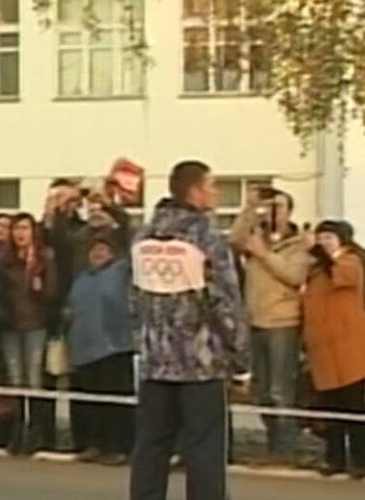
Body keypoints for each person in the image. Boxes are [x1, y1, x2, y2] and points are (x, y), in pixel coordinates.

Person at [129, 160, 251, 500]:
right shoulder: (206, 240)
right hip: (200, 364)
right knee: (204, 451)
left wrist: (144, 341)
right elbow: (225, 304)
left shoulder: (142, 237)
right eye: (212, 185)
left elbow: (133, 300)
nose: (215, 191)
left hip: (155, 362)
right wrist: (241, 361)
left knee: (151, 448)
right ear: (195, 191)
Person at [226, 186, 308, 465]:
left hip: (282, 322)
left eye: (281, 206)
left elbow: (295, 275)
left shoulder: (299, 243)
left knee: (280, 389)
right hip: (255, 320)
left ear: (290, 211)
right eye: (272, 206)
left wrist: (263, 254)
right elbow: (234, 240)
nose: (275, 211)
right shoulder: (254, 237)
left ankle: (284, 449)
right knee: (261, 390)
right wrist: (249, 210)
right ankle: (274, 440)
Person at [302, 220, 365, 478]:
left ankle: (360, 461)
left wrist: (319, 254)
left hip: (350, 348)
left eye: (329, 237)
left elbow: (343, 277)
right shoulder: (316, 270)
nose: (324, 242)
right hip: (324, 349)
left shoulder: (351, 261)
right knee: (331, 410)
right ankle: (335, 458)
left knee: (355, 408)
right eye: (321, 237)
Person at [64, 234, 134, 466]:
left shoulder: (121, 272)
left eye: (103, 250)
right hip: (84, 348)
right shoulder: (81, 278)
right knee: (88, 401)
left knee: (114, 401)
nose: (97, 254)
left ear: (113, 254)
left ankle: (118, 447)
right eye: (94, 250)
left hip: (114, 347)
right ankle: (93, 444)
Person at [0, 212, 58, 456]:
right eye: (16, 228)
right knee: (16, 379)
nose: (20, 233)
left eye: (25, 228)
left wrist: (39, 287)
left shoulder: (43, 259)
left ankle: (36, 431)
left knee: (33, 379)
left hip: (35, 325)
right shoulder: (5, 260)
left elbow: (52, 294)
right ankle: (18, 429)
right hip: (10, 326)